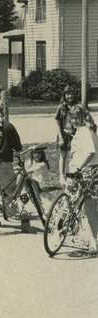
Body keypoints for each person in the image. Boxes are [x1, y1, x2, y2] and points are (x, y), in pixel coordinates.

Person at [68, 104, 98, 253]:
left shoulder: (86, 130)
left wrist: (79, 168)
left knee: (90, 207)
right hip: (83, 171)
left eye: (76, 118)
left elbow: (90, 153)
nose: (73, 121)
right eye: (71, 118)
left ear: (82, 117)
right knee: (80, 203)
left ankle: (94, 241)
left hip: (89, 171)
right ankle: (80, 233)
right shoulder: (83, 130)